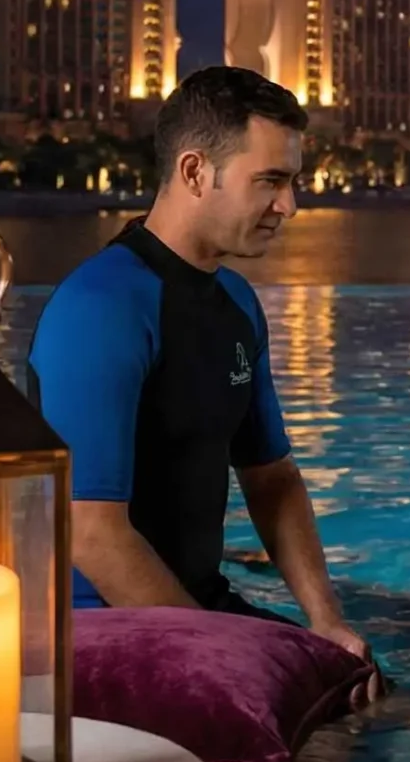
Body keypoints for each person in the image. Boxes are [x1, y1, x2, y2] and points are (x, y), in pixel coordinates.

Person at [27, 66, 385, 705]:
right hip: (94, 633)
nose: (289, 207)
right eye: (270, 182)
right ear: (195, 172)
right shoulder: (101, 307)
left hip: (198, 607)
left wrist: (326, 623)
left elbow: (272, 478)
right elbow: (90, 533)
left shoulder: (236, 303)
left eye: (292, 183)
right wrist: (213, 654)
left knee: (371, 696)